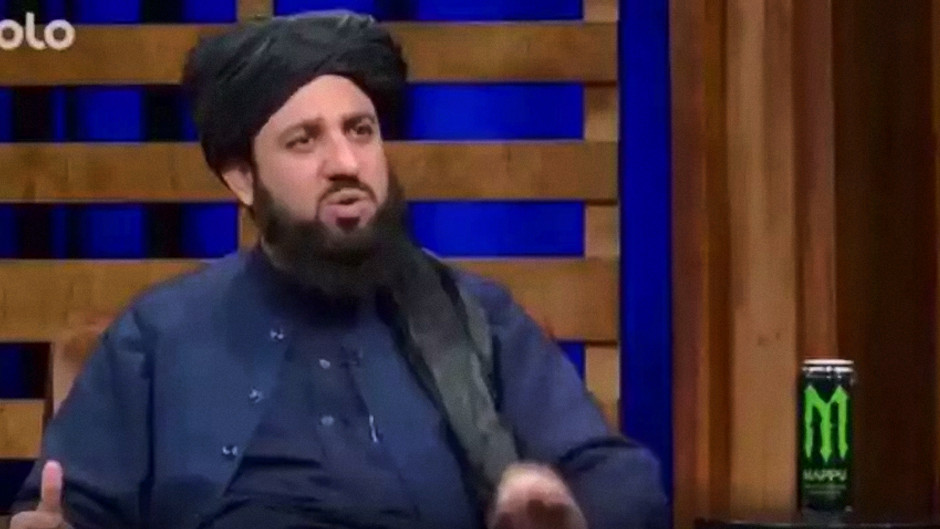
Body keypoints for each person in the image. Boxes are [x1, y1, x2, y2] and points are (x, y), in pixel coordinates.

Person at [11, 10, 668, 529]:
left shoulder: (474, 317)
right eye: (305, 141)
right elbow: (72, 505)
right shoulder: (159, 334)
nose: (346, 163)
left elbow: (619, 480)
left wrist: (568, 508)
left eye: (361, 130)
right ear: (243, 178)